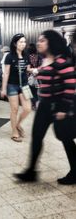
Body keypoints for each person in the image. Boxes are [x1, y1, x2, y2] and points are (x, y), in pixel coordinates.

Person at [14, 30, 76, 185]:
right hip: (45, 105)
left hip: (59, 106)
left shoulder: (63, 61)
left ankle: (75, 172)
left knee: (66, 138)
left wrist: (63, 108)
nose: (39, 42)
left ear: (51, 42)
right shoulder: (45, 59)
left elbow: (70, 86)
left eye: (42, 40)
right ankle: (31, 172)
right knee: (36, 137)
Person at [1, 33, 32, 142]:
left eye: (24, 42)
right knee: (14, 109)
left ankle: (18, 125)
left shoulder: (26, 55)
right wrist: (3, 88)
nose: (23, 44)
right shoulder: (9, 56)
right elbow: (6, 73)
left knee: (28, 108)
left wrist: (35, 70)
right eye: (21, 42)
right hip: (12, 85)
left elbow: (27, 69)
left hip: (24, 85)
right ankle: (14, 132)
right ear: (15, 43)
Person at [27, 43, 42, 109]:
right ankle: (36, 104)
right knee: (36, 91)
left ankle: (34, 104)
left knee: (30, 91)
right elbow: (41, 65)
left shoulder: (28, 57)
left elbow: (27, 68)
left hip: (30, 76)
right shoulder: (38, 56)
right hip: (37, 75)